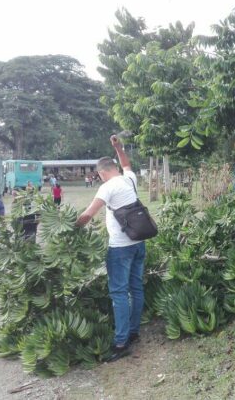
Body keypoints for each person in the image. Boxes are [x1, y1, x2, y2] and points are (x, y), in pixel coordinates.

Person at [76, 135, 146, 363]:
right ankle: (133, 331)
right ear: (114, 167)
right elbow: (127, 164)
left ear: (100, 173)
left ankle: (121, 342)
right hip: (139, 242)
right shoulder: (129, 179)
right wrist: (118, 147)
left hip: (120, 248)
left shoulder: (107, 187)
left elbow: (88, 214)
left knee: (119, 293)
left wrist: (69, 227)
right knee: (136, 288)